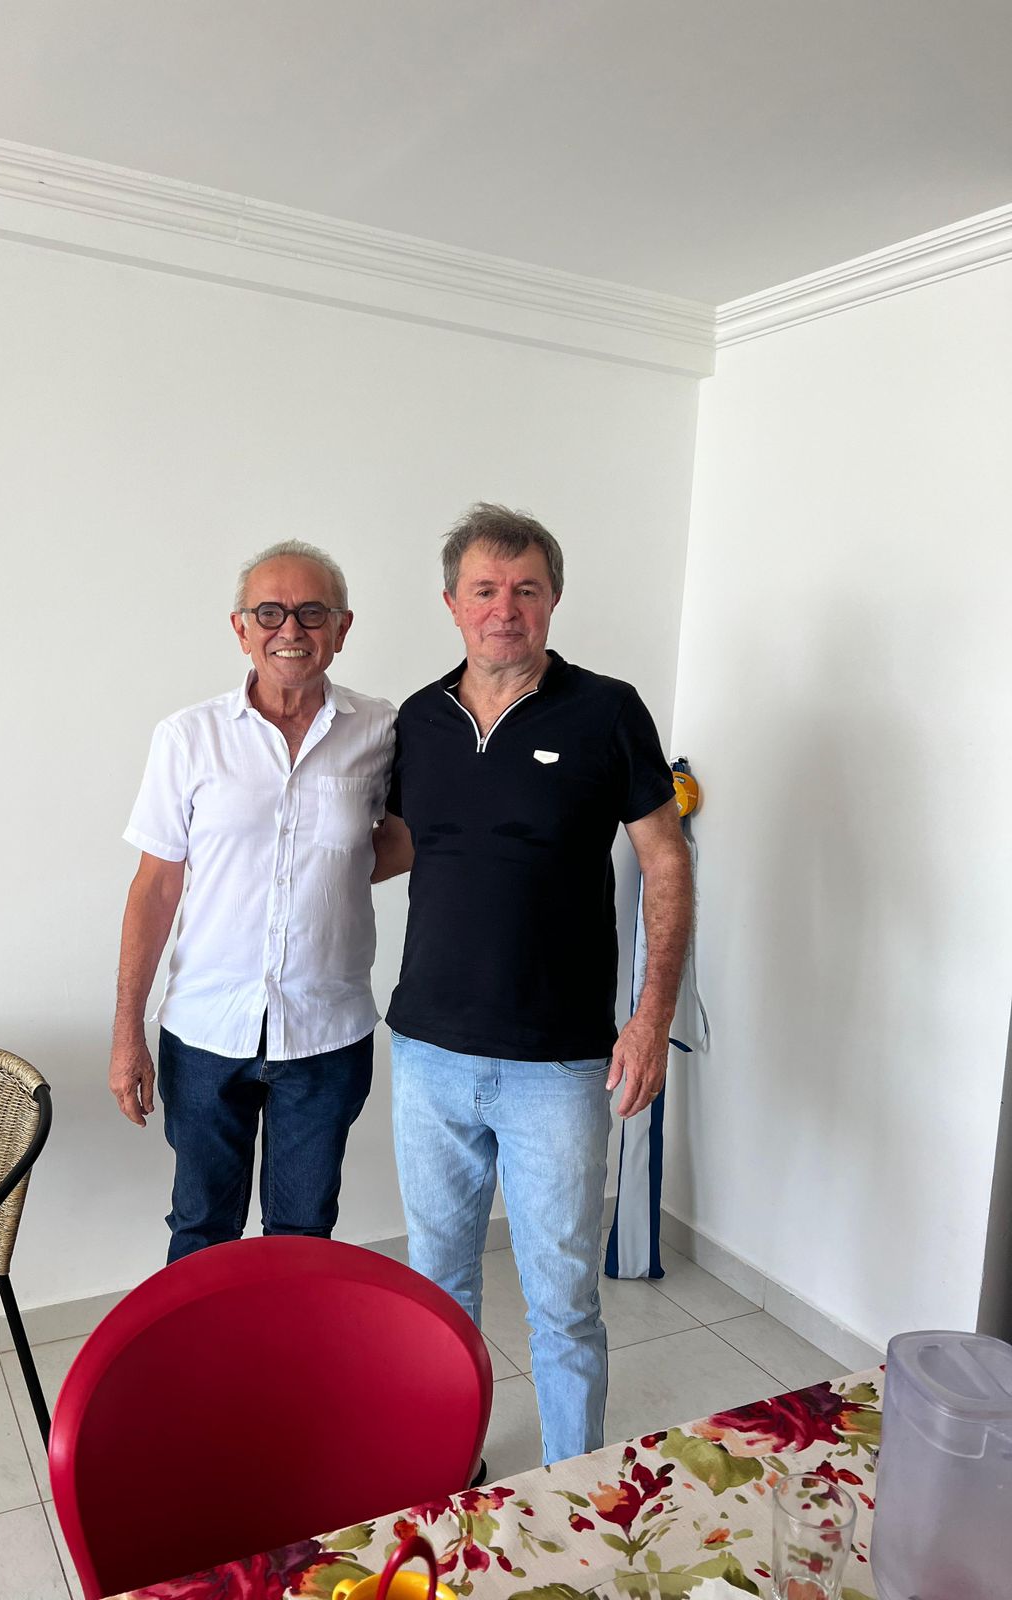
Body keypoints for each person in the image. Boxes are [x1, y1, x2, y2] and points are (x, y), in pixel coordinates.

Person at [375, 503, 692, 1464]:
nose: (503, 608)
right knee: (438, 1289)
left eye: (525, 589)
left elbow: (666, 860)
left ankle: (573, 1491)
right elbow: (400, 845)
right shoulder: (417, 720)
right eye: (484, 589)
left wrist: (650, 1018)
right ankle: (451, 1462)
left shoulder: (607, 711)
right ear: (451, 603)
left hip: (557, 1063)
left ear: (553, 599)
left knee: (562, 1299)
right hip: (428, 1051)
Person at [109, 541, 395, 1262]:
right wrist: (126, 1032)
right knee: (201, 1230)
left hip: (327, 1032)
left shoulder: (381, 732)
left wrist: (329, 868)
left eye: (312, 612)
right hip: (206, 1030)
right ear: (240, 628)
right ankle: (204, 1346)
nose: (290, 629)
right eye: (269, 612)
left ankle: (285, 1345)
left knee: (303, 1234)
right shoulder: (188, 737)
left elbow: (405, 841)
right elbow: (155, 887)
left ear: (342, 627)